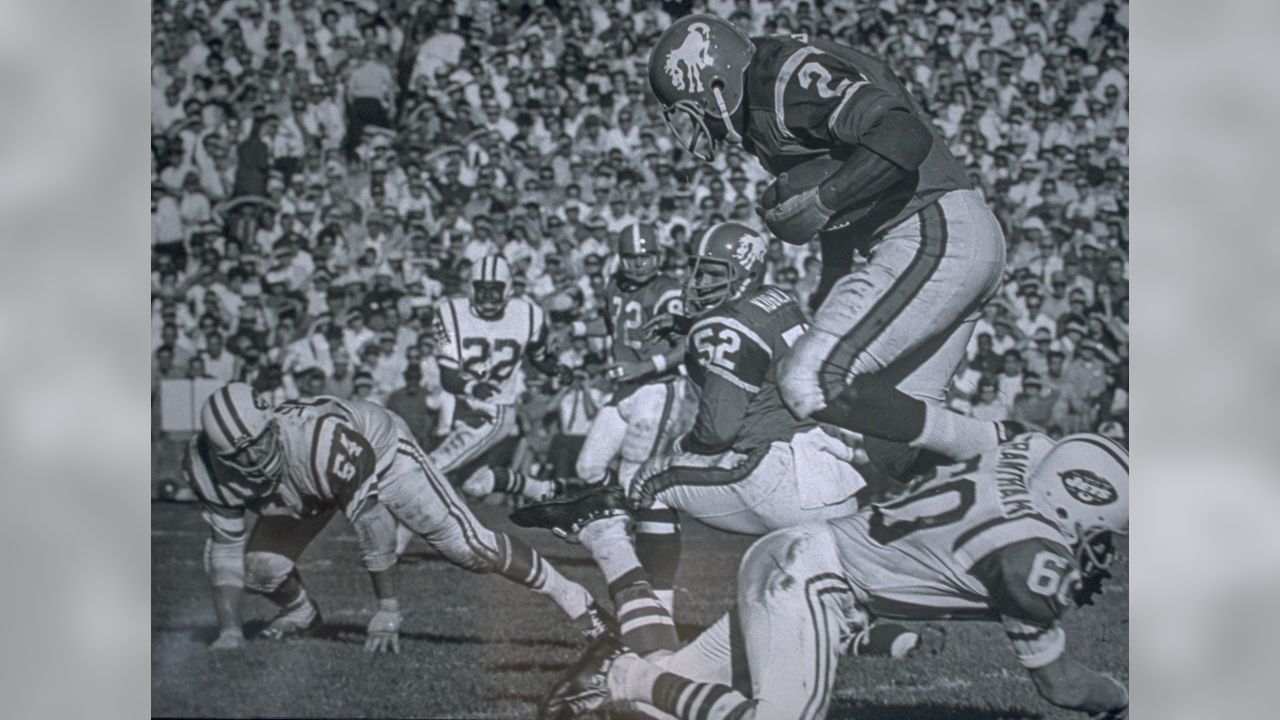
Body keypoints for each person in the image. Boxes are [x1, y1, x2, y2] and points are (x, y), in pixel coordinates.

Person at [514, 223, 912, 658]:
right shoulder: (778, 298)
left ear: (742, 273)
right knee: (817, 607)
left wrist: (685, 447)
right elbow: (754, 335)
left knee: (652, 481)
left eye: (711, 273)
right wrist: (689, 323)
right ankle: (862, 634)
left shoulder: (723, 326)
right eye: (698, 272)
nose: (698, 282)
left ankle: (656, 622)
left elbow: (718, 430)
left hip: (780, 474)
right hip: (833, 477)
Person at [648, 16, 1016, 479]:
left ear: (714, 82)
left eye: (692, 107)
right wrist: (827, 285)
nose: (699, 127)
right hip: (940, 237)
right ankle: (1011, 488)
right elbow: (846, 223)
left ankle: (1003, 441)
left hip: (931, 228)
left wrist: (825, 199)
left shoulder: (780, 80)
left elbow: (904, 135)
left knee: (811, 380)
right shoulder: (766, 96)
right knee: (889, 454)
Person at [542, 432, 1130, 720]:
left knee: (664, 713)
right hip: (815, 582)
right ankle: (627, 674)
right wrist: (1123, 701)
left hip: (795, 555)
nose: (1102, 552)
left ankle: (612, 565)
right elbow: (1063, 687)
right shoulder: (1029, 560)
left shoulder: (1024, 455)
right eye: (1103, 534)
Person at [186, 382, 606, 653]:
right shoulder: (206, 467)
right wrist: (229, 631)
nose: (251, 458)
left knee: (469, 548)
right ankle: (301, 613)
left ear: (271, 426)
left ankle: (573, 598)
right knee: (259, 568)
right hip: (306, 487)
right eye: (237, 454)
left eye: (256, 444)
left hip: (380, 452)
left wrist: (388, 608)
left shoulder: (319, 442)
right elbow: (224, 549)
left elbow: (374, 527)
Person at [556, 223, 695, 612]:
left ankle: (652, 552)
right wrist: (576, 330)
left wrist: (643, 368)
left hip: (656, 388)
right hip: (624, 389)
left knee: (634, 476)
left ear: (659, 255)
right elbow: (614, 322)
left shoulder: (667, 289)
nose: (639, 263)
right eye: (633, 256)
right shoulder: (615, 284)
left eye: (646, 255)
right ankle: (623, 532)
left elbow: (685, 344)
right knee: (588, 467)